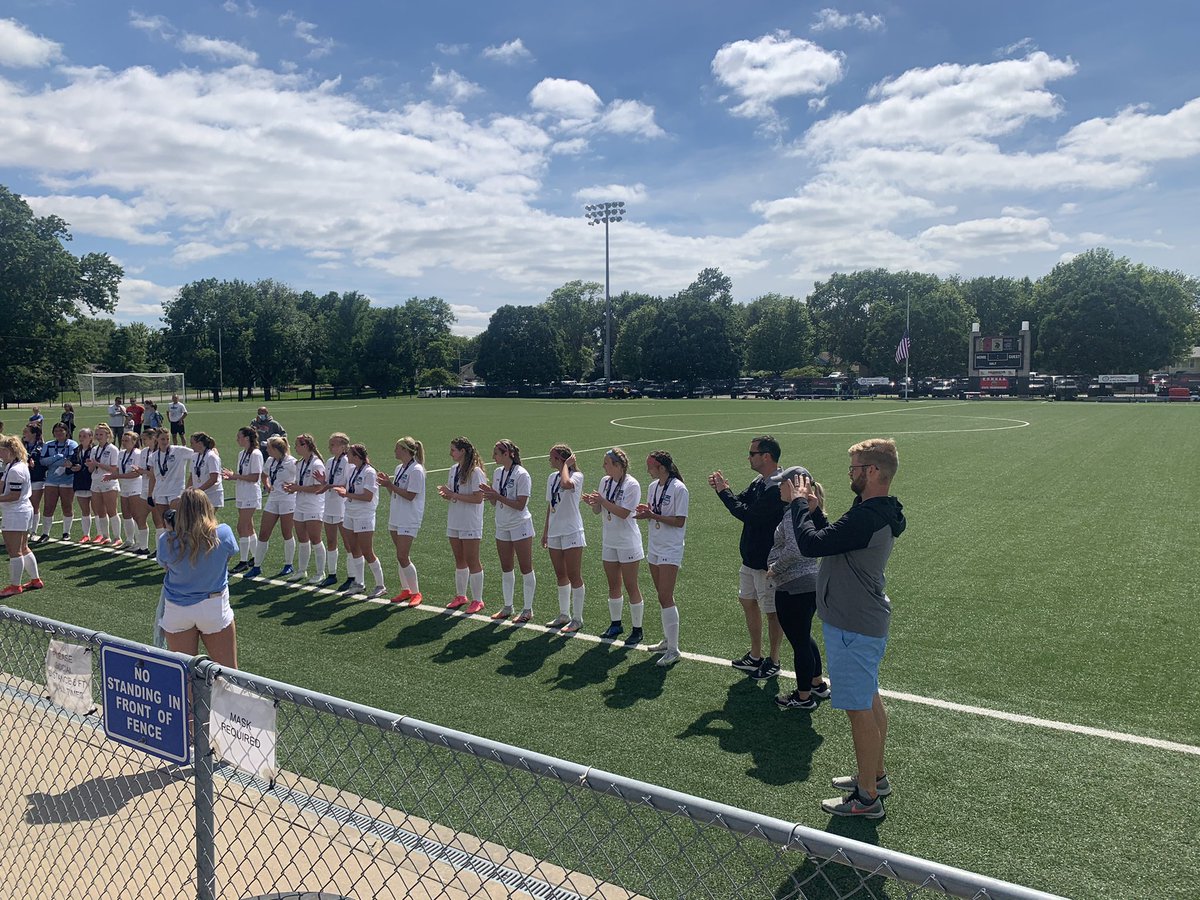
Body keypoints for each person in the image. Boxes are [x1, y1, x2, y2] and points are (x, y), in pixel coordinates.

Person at [790, 438, 905, 819]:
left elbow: (810, 546)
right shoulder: (872, 511)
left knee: (859, 710)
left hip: (854, 624)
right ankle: (876, 776)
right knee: (869, 699)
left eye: (854, 468)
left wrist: (797, 507)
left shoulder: (868, 516)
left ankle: (867, 797)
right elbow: (836, 542)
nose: (850, 474)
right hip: (860, 621)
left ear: (872, 471)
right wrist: (815, 512)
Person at [709, 435, 797, 682]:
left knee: (772, 612)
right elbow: (740, 501)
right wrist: (724, 491)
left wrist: (723, 491)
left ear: (766, 457)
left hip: (766, 561)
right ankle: (755, 655)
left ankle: (774, 660)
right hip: (750, 557)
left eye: (752, 453)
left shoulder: (777, 487)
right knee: (747, 601)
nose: (748, 458)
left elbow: (749, 515)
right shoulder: (760, 481)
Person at [155, 489, 239, 668]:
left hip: (178, 609)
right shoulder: (223, 533)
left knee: (184, 675)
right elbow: (228, 555)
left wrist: (172, 531)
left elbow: (166, 566)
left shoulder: (166, 540)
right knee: (229, 674)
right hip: (213, 607)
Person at [769, 479, 830, 710]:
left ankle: (804, 697)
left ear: (793, 486)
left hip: (793, 585)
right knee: (803, 636)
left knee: (800, 641)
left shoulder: (793, 513)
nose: (778, 488)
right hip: (809, 582)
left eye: (782, 484)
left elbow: (794, 550)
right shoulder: (805, 512)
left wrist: (775, 568)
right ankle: (817, 683)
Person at [583, 447, 644, 645]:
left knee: (631, 585)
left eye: (606, 463)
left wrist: (602, 501)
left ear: (618, 465)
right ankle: (616, 624)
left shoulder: (632, 484)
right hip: (609, 541)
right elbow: (598, 511)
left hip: (628, 542)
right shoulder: (605, 481)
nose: (603, 467)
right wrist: (594, 503)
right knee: (613, 585)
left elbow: (624, 513)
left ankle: (637, 629)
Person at [635, 450, 689, 665]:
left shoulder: (679, 488)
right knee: (662, 596)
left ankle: (674, 650)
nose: (647, 470)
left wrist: (653, 515)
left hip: (670, 548)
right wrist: (646, 513)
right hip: (655, 546)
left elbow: (679, 521)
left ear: (662, 468)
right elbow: (654, 512)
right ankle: (667, 640)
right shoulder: (653, 487)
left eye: (650, 466)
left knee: (666, 596)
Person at [479, 439, 535, 622]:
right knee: (506, 567)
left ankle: (527, 609)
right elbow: (495, 502)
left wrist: (497, 496)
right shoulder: (498, 473)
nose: (493, 456)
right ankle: (507, 606)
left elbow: (520, 505)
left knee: (525, 567)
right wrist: (490, 495)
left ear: (507, 454)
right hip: (502, 525)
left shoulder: (522, 474)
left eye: (496, 453)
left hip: (520, 524)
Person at [437, 436, 487, 614]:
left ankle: (478, 600)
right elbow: (455, 493)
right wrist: (447, 495)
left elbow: (478, 498)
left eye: (453, 450)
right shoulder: (454, 469)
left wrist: (453, 495)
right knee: (459, 559)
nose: (450, 453)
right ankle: (461, 596)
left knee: (472, 560)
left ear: (463, 451)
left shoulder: (475, 472)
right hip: (455, 520)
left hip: (470, 522)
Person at [541, 444, 586, 632]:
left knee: (574, 575)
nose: (549, 460)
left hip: (571, 531)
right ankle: (564, 614)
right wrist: (546, 531)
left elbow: (566, 484)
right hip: (555, 532)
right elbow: (550, 505)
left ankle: (577, 618)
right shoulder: (551, 477)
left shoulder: (576, 476)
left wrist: (566, 466)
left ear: (560, 459)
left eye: (552, 457)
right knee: (560, 574)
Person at [377, 436, 426, 606]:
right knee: (400, 556)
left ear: (405, 450)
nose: (394, 451)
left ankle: (416, 592)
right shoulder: (399, 468)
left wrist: (390, 485)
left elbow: (411, 495)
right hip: (397, 516)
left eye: (397, 448)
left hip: (409, 517)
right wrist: (388, 485)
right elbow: (396, 493)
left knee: (402, 555)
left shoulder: (416, 470)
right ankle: (406, 590)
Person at [334, 442, 386, 598]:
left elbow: (368, 496)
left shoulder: (369, 472)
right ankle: (359, 583)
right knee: (354, 549)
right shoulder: (352, 470)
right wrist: (344, 491)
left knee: (367, 551)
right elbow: (350, 488)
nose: (347, 456)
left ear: (356, 457)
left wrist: (346, 494)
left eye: (349, 454)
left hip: (364, 515)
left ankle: (380, 585)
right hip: (350, 513)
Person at [245, 436, 297, 579]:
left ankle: (288, 564)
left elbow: (301, 479)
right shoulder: (270, 460)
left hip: (288, 500)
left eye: (268, 448)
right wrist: (267, 486)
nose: (266, 450)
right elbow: (264, 475)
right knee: (263, 533)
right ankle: (257, 566)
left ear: (275, 449)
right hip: (273, 499)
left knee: (287, 533)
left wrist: (294, 487)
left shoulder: (292, 462)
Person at [0, 435, 43, 597]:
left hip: (16, 512)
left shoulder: (16, 470)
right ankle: (35, 580)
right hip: (20, 511)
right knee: (23, 548)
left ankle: (15, 585)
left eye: (1, 450)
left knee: (14, 550)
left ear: (9, 451)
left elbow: (14, 495)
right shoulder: (14, 465)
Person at [282, 433, 327, 583]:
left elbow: (318, 487)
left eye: (297, 445)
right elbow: (301, 483)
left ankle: (320, 572)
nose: (295, 447)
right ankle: (302, 571)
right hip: (300, 505)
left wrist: (297, 488)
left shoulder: (317, 464)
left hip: (314, 506)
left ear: (305, 446)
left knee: (315, 539)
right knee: (302, 539)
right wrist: (292, 487)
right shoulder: (300, 463)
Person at [222, 427, 263, 574]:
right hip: (242, 493)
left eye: (239, 436)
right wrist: (232, 476)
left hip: (250, 494)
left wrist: (235, 476)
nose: (237, 439)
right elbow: (243, 474)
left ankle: (243, 561)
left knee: (241, 527)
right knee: (248, 527)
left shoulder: (256, 454)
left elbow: (255, 477)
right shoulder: (242, 453)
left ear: (246, 438)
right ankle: (256, 557)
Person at [103, 430, 150, 553]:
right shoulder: (122, 453)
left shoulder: (138, 453)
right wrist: (111, 475)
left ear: (134, 442)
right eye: (122, 440)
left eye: (126, 441)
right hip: (125, 486)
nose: (123, 443)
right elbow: (118, 469)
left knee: (137, 515)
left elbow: (136, 473)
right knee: (126, 514)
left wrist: (117, 476)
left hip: (136, 486)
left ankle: (140, 543)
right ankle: (129, 540)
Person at [317, 432, 351, 588]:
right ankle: (332, 574)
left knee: (348, 543)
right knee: (331, 541)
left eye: (333, 444)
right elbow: (328, 482)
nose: (330, 447)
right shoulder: (330, 461)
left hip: (342, 506)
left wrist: (329, 486)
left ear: (343, 446)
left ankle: (352, 576)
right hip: (329, 505)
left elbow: (347, 485)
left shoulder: (348, 462)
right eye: (330, 444)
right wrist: (323, 482)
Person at [145, 428, 194, 537]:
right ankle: (169, 544)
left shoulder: (179, 451)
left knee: (176, 521)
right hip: (160, 491)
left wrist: (212, 449)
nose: (165, 441)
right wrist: (150, 494)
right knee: (165, 523)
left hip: (176, 490)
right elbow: (152, 476)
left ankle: (181, 543)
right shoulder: (153, 456)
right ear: (156, 439)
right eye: (162, 439)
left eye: (167, 439)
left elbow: (197, 452)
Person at [38, 423, 77, 543]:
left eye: (61, 430)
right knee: (48, 506)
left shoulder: (72, 444)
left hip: (67, 480)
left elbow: (70, 461)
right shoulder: (48, 444)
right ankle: (45, 533)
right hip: (51, 480)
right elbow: (42, 461)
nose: (58, 433)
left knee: (67, 506)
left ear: (66, 432)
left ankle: (66, 532)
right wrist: (56, 457)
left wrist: (53, 462)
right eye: (56, 431)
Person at [89, 423, 122, 545]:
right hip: (96, 481)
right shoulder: (94, 449)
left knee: (111, 510)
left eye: (101, 434)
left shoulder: (113, 449)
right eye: (97, 434)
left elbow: (114, 469)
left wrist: (98, 464)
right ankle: (105, 536)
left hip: (109, 482)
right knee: (100, 511)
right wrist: (91, 465)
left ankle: (117, 537)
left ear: (108, 435)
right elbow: (90, 470)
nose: (98, 437)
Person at [67, 428, 96, 543]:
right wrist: (71, 467)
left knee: (98, 510)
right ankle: (86, 534)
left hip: (92, 483)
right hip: (79, 483)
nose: (81, 438)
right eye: (80, 436)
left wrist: (81, 468)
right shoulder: (76, 450)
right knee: (85, 510)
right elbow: (71, 466)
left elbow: (95, 467)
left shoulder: (94, 450)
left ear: (90, 437)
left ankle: (101, 534)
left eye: (84, 436)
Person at [188, 432, 224, 511]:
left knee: (207, 517)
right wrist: (187, 492)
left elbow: (213, 479)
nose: (191, 446)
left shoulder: (211, 456)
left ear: (200, 444)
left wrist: (199, 490)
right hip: (198, 495)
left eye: (192, 443)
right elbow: (191, 477)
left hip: (211, 494)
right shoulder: (194, 456)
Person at [22, 424, 45, 538]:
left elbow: (44, 463)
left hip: (37, 478)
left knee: (34, 505)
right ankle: (24, 530)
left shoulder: (42, 446)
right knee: (24, 504)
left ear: (34, 434)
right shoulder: (22, 445)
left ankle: (33, 531)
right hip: (23, 479)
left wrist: (35, 464)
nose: (24, 434)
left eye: (26, 432)